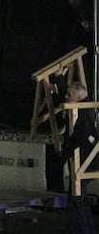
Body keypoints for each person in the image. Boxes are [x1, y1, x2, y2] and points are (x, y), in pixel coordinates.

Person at [63, 82, 98, 234]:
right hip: (83, 161)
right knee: (77, 200)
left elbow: (80, 136)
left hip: (84, 162)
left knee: (76, 201)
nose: (66, 96)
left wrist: (67, 148)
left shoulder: (83, 113)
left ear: (78, 96)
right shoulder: (80, 109)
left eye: (70, 94)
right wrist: (58, 80)